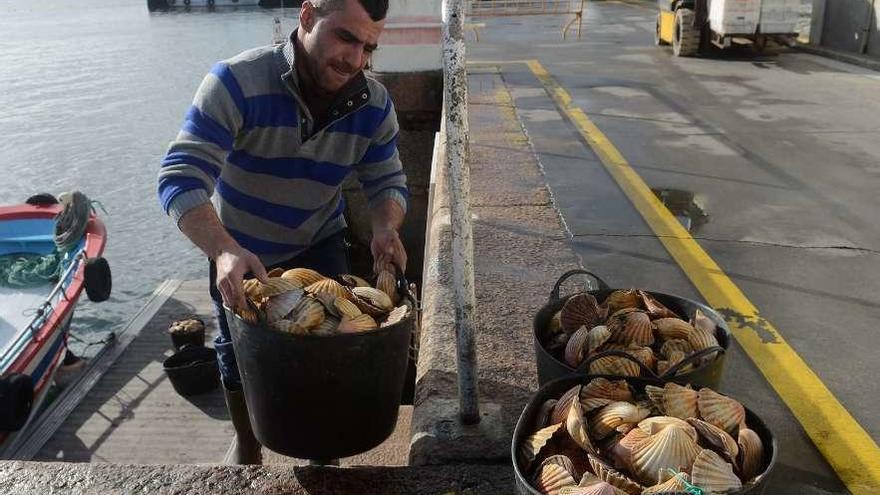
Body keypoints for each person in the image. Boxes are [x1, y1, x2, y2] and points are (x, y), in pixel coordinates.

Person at [156, 0, 407, 465]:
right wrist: (223, 251)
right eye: (346, 37)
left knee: (332, 346)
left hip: (321, 240)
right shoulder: (235, 81)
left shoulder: (374, 104)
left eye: (369, 47)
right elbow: (179, 177)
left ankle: (323, 451)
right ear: (308, 17)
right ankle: (249, 442)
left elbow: (386, 180)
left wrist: (385, 228)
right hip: (239, 248)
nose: (356, 59)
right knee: (236, 348)